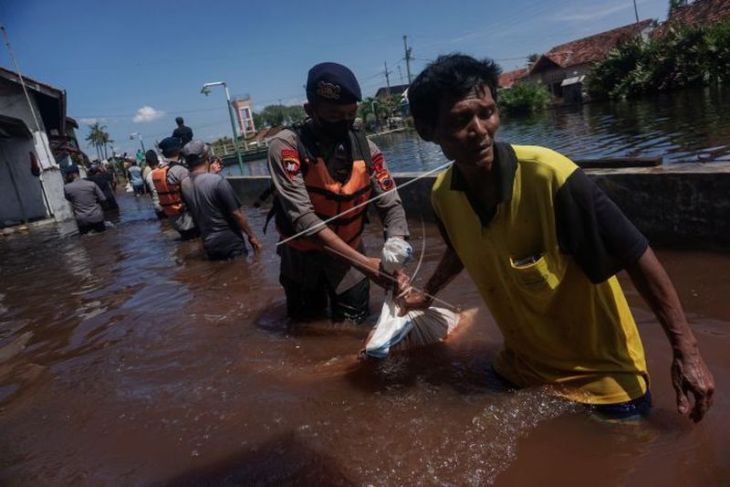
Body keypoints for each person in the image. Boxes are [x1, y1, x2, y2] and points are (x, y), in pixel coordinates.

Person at [401, 54, 714, 421]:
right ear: (426, 130)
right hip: (521, 369)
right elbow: (460, 246)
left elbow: (636, 254)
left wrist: (687, 352)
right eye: (460, 120)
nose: (480, 130)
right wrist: (428, 290)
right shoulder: (443, 194)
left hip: (603, 380)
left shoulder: (551, 177)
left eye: (486, 113)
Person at [267, 62, 409, 323]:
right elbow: (303, 219)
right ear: (310, 110)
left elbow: (391, 206)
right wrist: (366, 265)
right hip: (303, 260)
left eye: (350, 115)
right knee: (307, 331)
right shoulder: (286, 146)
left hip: (350, 260)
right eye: (334, 116)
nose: (343, 123)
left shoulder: (368, 150)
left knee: (355, 328)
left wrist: (395, 248)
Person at [180, 140, 262, 259]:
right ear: (206, 157)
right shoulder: (217, 181)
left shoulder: (184, 184)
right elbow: (237, 214)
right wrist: (252, 236)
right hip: (230, 241)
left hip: (209, 243)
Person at [151, 137, 199, 239]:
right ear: (178, 150)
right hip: (188, 219)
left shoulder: (160, 171)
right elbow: (194, 193)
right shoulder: (180, 170)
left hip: (174, 219)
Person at [63, 164, 107, 234]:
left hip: (82, 220)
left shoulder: (67, 188)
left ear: (72, 174)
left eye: (67, 174)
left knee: (86, 242)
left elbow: (70, 200)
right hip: (97, 217)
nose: (65, 176)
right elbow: (103, 199)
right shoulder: (92, 184)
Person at [144, 150, 166, 219]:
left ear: (147, 162)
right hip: (169, 204)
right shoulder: (165, 171)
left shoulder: (148, 176)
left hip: (158, 206)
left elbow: (150, 193)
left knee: (163, 226)